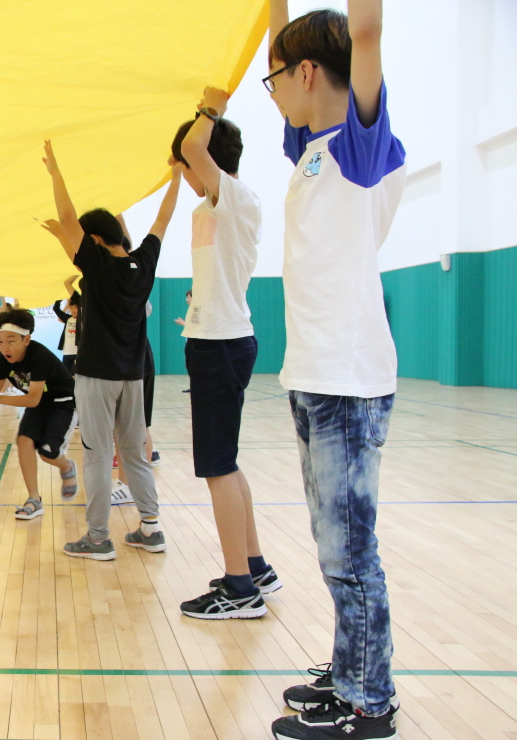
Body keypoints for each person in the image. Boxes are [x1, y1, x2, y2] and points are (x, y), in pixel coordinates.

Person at [265, 1, 405, 737]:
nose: (273, 90)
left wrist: (361, 26)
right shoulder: (311, 148)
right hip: (312, 376)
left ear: (309, 72)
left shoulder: (359, 147)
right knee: (332, 549)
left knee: (350, 553)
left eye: (275, 78)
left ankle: (369, 704)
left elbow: (368, 33)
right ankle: (348, 673)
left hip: (348, 382)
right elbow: (278, 42)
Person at [41, 140, 181, 561]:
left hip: (97, 377)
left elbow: (68, 218)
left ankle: (98, 538)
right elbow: (163, 217)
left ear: (96, 240)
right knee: (133, 454)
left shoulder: (98, 267)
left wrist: (55, 173)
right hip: (134, 376)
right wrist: (175, 174)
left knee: (98, 456)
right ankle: (150, 528)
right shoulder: (143, 264)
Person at [167, 87, 277, 621]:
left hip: (221, 347)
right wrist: (197, 306)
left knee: (217, 467)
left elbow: (192, 147)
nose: (186, 171)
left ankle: (240, 589)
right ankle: (253, 565)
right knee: (226, 463)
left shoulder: (230, 195)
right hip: (218, 337)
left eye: (190, 164)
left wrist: (210, 107)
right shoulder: (219, 206)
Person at [0, 308, 78, 519]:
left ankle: (66, 466)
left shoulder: (39, 356)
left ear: (26, 340)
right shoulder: (2, 359)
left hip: (62, 402)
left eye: (11, 341)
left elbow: (32, 398)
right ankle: (34, 499)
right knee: (24, 441)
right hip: (39, 404)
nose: (4, 347)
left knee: (47, 452)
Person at [50, 277, 79, 375]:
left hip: (78, 352)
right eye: (71, 308)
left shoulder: (83, 318)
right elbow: (56, 309)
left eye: (76, 307)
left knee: (78, 374)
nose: (73, 310)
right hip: (67, 352)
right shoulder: (67, 318)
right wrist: (60, 296)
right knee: (66, 374)